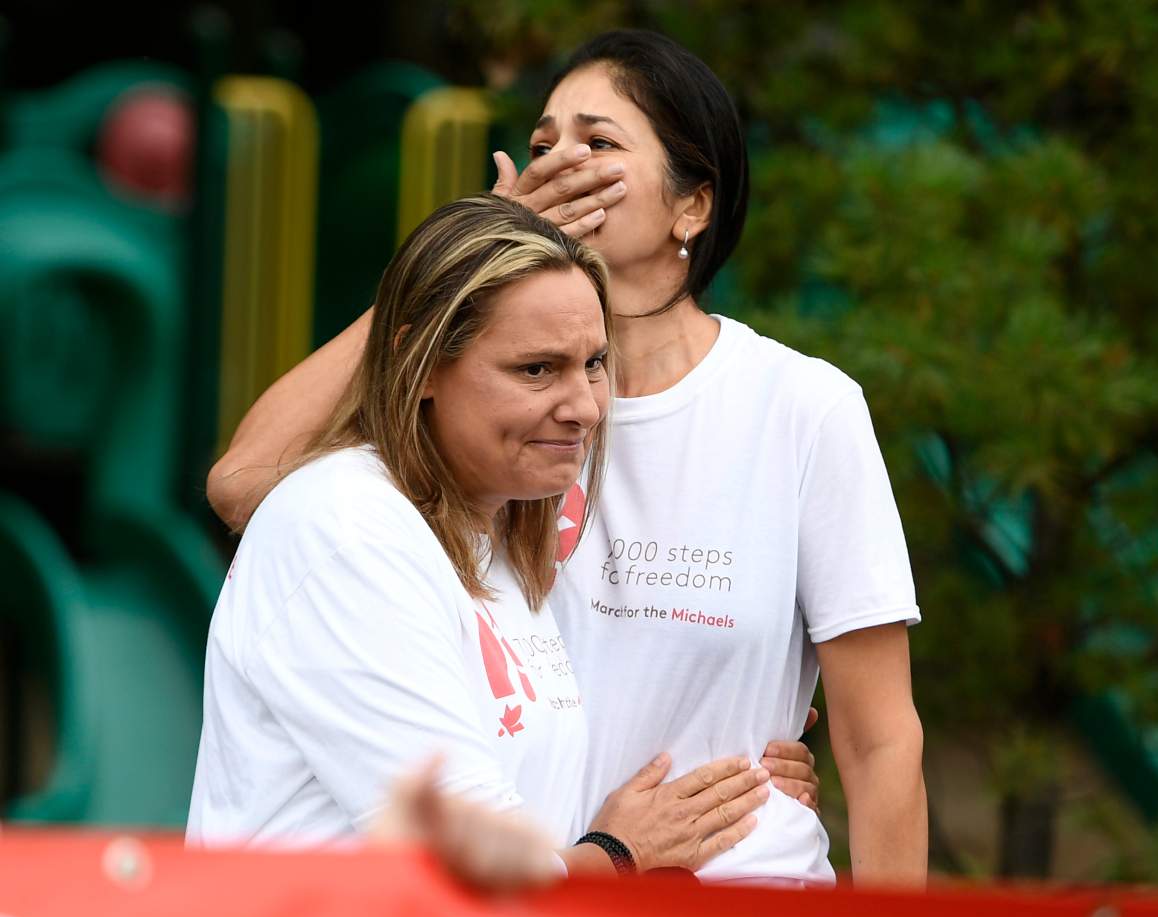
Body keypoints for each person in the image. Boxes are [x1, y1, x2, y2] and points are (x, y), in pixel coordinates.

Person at [207, 29, 924, 887]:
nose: (560, 168)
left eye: (600, 142)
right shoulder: (484, 431)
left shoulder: (801, 406)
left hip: (720, 884)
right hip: (551, 884)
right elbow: (247, 485)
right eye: (543, 145)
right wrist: (458, 271)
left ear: (692, 206)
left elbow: (880, 737)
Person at [187, 194, 772, 877]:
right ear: (419, 364)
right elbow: (467, 871)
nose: (585, 407)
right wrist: (622, 853)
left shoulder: (489, 533)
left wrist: (749, 728)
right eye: (536, 369)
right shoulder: (346, 529)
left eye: (592, 363)